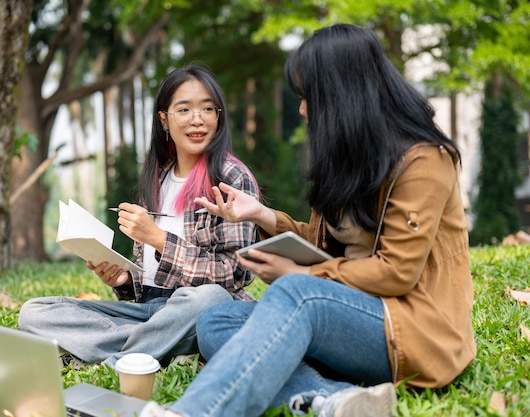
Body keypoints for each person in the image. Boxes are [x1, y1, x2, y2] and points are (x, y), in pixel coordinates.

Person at [139, 23, 476, 417]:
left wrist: (297, 277)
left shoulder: (423, 160)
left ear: (342, 93)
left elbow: (397, 272)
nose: (301, 109)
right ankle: (329, 398)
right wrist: (261, 214)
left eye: (307, 96)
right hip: (347, 321)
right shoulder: (346, 158)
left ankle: (190, 412)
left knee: (296, 293)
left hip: (413, 331)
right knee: (217, 320)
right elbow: (318, 244)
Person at [18, 64, 260, 370]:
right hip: (152, 316)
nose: (197, 120)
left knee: (210, 299)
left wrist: (159, 239)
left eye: (208, 109)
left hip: (199, 310)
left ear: (218, 116)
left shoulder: (231, 178)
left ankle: (114, 359)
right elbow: (147, 287)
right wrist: (123, 279)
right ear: (164, 119)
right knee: (34, 311)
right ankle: (158, 348)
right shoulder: (157, 180)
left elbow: (234, 274)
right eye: (184, 110)